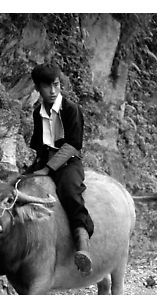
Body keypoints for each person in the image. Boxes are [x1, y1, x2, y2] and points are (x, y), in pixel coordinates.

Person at [27, 63, 95, 274]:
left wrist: (48, 169)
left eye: (56, 85)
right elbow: (39, 144)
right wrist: (33, 169)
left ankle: (82, 245)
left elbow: (74, 144)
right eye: (47, 87)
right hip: (44, 160)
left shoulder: (71, 109)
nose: (53, 91)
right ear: (38, 88)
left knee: (70, 191)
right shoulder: (37, 112)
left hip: (68, 162)